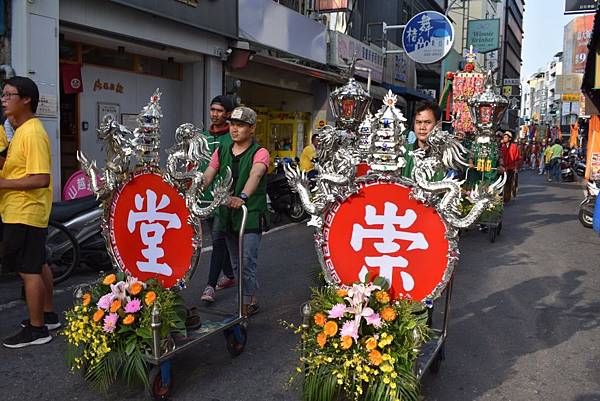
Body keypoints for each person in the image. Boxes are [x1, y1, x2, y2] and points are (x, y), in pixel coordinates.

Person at [0, 76, 58, 348]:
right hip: (22, 211)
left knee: (28, 270)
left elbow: (41, 178)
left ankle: (37, 329)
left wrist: (3, 183)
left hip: (24, 211)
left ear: (26, 99)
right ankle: (47, 315)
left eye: (8, 94)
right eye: (3, 94)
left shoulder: (32, 132)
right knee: (38, 264)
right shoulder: (21, 129)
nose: (3, 99)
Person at [200, 106, 269, 317]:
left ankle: (245, 304)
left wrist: (243, 198)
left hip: (249, 215)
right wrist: (194, 190)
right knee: (236, 263)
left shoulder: (260, 153)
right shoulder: (222, 149)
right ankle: (251, 297)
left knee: (247, 261)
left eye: (240, 125)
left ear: (252, 129)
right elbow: (209, 174)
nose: (234, 129)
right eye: (232, 124)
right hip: (226, 215)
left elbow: (255, 175)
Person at [200, 96, 237, 303]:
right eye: (212, 110)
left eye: (219, 111)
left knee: (217, 239)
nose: (214, 114)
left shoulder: (232, 139)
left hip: (224, 200)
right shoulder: (203, 138)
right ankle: (230, 275)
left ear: (228, 114)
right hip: (204, 199)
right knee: (220, 240)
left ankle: (210, 286)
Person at [402, 101, 445, 180]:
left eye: (427, 122)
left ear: (437, 124)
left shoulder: (445, 157)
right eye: (418, 122)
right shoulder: (403, 152)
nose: (422, 127)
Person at [500, 131, 520, 203]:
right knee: (502, 182)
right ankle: (501, 196)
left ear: (510, 138)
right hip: (503, 167)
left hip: (511, 167)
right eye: (504, 137)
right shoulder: (502, 146)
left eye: (506, 137)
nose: (504, 139)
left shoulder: (514, 146)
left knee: (509, 183)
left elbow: (517, 158)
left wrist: (516, 167)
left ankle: (507, 198)